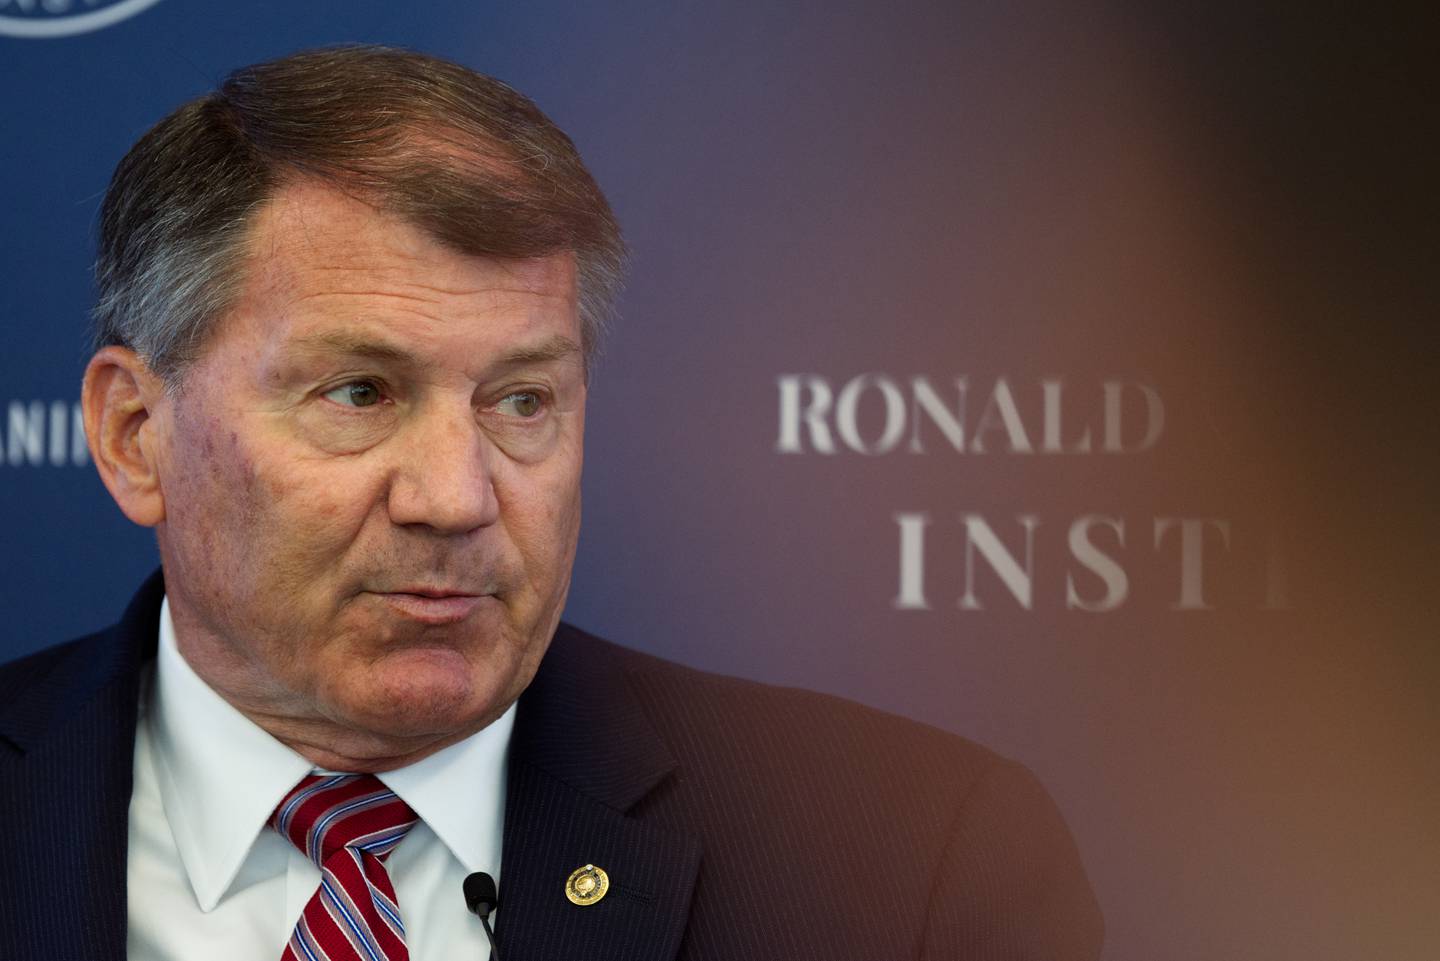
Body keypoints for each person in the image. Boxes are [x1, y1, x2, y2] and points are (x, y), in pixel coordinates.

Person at [0, 45, 1102, 961]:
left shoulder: (906, 869)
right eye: (359, 393)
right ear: (134, 436)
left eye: (522, 399)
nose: (456, 495)